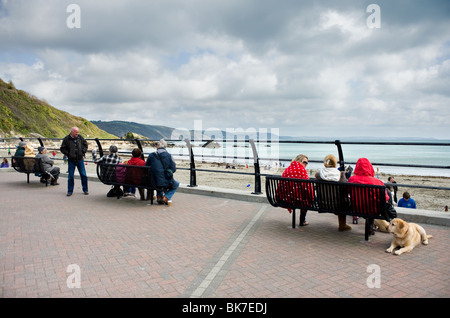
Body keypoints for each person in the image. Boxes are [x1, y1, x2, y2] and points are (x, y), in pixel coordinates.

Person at [348, 158, 397, 235]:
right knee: (371, 205)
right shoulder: (377, 182)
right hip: (373, 210)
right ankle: (370, 228)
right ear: (370, 167)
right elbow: (386, 198)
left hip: (356, 208)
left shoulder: (351, 179)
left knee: (367, 204)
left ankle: (370, 228)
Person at [315, 154, 351, 231]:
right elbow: (344, 190)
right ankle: (342, 225)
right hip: (337, 205)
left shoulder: (319, 175)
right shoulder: (340, 175)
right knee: (344, 200)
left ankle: (342, 225)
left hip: (322, 204)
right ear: (335, 163)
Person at [280, 154, 312, 226]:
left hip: (284, 198)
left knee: (303, 195)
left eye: (307, 163)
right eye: (304, 162)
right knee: (307, 198)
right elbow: (308, 187)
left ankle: (302, 220)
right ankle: (302, 220)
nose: (306, 164)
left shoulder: (289, 168)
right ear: (298, 161)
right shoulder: (301, 170)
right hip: (293, 199)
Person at [145, 139, 179, 206]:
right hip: (164, 181)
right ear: (165, 147)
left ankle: (159, 197)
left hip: (152, 181)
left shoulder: (151, 155)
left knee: (158, 177)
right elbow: (173, 169)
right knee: (176, 184)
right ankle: (166, 197)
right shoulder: (169, 156)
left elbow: (146, 167)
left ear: (158, 146)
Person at [60, 127, 89, 196]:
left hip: (80, 159)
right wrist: (68, 154)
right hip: (71, 160)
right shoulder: (66, 139)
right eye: (76, 132)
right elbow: (62, 148)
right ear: (72, 132)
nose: (77, 134)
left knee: (83, 175)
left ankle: (85, 190)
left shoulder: (80, 138)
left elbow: (85, 145)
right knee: (70, 176)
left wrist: (83, 151)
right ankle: (70, 191)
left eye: (78, 132)